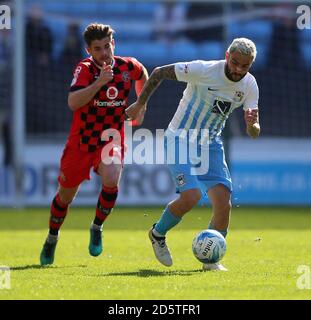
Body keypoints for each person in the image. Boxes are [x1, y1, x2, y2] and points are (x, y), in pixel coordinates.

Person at [126, 38, 260, 271]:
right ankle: (158, 234)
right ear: (227, 56)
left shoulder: (249, 85)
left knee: (223, 204)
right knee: (191, 196)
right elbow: (158, 73)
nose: (238, 69)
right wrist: (140, 104)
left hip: (210, 144)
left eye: (244, 66)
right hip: (179, 138)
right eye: (235, 63)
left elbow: (254, 132)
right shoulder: (204, 70)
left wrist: (252, 125)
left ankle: (211, 260)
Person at [40, 23, 148, 265]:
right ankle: (52, 238)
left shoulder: (128, 66)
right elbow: (73, 102)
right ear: (89, 50)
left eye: (107, 46)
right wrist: (99, 83)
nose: (104, 53)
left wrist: (141, 103)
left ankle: (97, 227)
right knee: (65, 197)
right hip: (81, 143)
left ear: (113, 45)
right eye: (97, 48)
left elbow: (143, 75)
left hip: (111, 139)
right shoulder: (85, 69)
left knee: (112, 177)